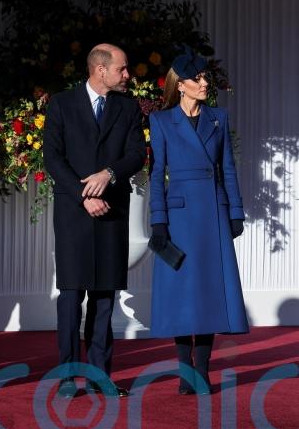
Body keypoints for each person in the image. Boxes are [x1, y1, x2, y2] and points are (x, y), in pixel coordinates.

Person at [43, 43, 147, 398]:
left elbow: (137, 154)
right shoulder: (61, 104)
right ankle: (68, 377)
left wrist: (109, 173)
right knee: (71, 296)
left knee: (105, 296)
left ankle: (101, 375)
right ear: (100, 70)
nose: (127, 75)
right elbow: (53, 158)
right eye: (122, 68)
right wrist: (84, 195)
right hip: (74, 212)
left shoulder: (128, 107)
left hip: (113, 212)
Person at [148, 47, 249, 395]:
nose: (205, 83)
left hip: (213, 213)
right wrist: (157, 221)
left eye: (205, 77)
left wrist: (235, 211)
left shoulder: (218, 118)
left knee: (207, 291)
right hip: (178, 216)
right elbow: (156, 173)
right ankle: (183, 371)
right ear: (181, 85)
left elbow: (229, 170)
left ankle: (202, 371)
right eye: (198, 78)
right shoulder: (160, 121)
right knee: (181, 293)